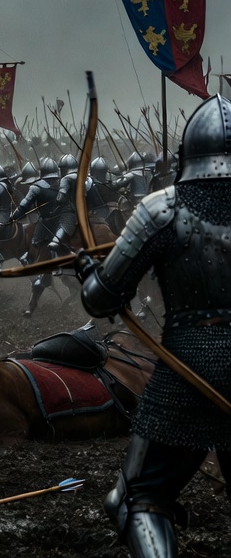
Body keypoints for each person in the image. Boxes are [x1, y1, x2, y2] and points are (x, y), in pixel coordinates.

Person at [78, 94, 231, 558]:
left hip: (190, 370)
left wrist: (89, 273)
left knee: (138, 500)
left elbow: (104, 298)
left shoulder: (162, 209)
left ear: (188, 154)